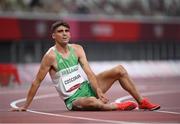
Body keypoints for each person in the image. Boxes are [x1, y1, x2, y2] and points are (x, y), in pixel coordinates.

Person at [13, 21, 160, 111]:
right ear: (53, 36)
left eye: (66, 31)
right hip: (74, 99)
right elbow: (36, 81)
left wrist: (98, 90)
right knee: (93, 102)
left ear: (70, 34)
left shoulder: (77, 49)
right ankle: (117, 106)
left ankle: (141, 102)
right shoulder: (50, 56)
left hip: (88, 87)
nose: (64, 34)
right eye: (60, 31)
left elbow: (89, 73)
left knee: (120, 70)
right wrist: (25, 105)